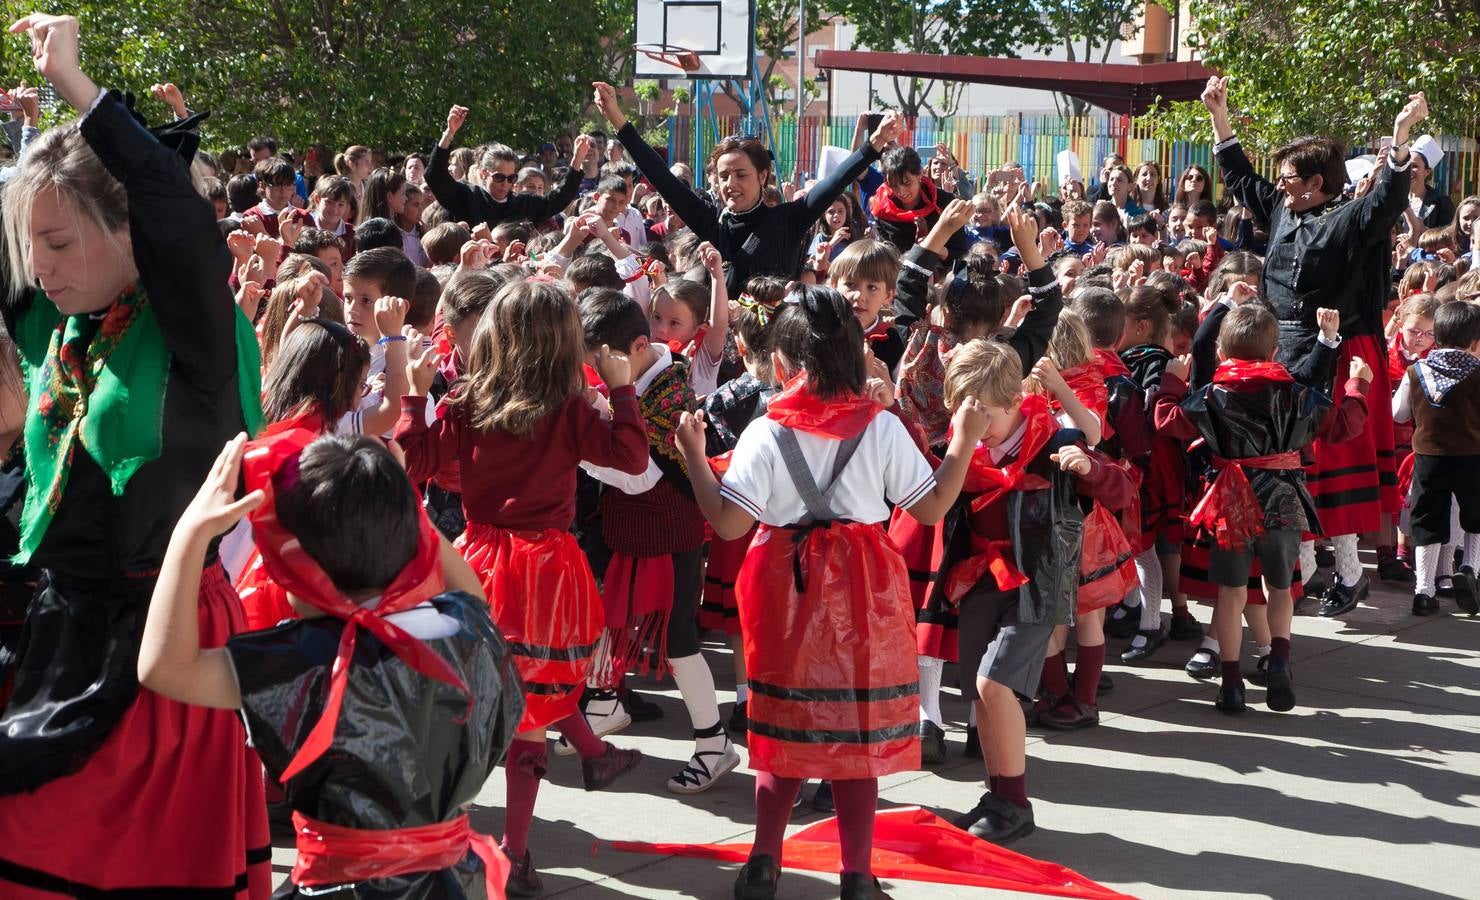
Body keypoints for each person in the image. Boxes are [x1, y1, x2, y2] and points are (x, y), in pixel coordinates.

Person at [0, 13, 269, 897]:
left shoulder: (192, 326)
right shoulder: (57, 318)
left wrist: (78, 91)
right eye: (30, 243)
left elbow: (175, 212)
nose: (39, 266)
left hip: (159, 649)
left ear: (126, 233)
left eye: (60, 241)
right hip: (61, 636)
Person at [675, 283, 987, 900]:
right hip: (865, 591)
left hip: (782, 589)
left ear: (783, 365)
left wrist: (692, 454)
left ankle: (763, 863)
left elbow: (731, 523)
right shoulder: (883, 428)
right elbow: (930, 508)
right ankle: (857, 875)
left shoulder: (765, 432)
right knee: (859, 736)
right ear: (857, 357)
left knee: (784, 729)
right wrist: (964, 439)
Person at [138, 432, 523, 898]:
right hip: (449, 884)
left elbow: (163, 667)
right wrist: (397, 501)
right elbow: (467, 591)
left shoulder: (301, 662)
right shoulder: (465, 629)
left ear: (300, 568)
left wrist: (189, 533)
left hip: (340, 887)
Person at [396, 280, 646, 894]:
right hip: (548, 573)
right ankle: (517, 849)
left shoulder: (468, 401)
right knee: (532, 711)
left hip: (479, 562)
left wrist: (413, 394)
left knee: (467, 706)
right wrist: (621, 385)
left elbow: (414, 460)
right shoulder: (573, 406)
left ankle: (443, 832)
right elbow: (633, 458)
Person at [1203, 76, 1428, 614]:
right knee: (1292, 468)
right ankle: (1301, 576)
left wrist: (1400, 138)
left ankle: (1349, 577)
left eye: (1289, 179)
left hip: (1332, 350)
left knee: (1324, 470)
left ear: (1317, 182)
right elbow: (1241, 178)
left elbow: (1387, 202)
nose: (1279, 187)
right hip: (1281, 351)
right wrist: (1220, 116)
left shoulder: (1347, 219)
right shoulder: (1282, 210)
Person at [935, 338, 1133, 844]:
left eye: (978, 410)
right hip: (983, 579)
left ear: (1008, 400)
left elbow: (1121, 490)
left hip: (1038, 583)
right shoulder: (968, 444)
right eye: (961, 409)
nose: (969, 420)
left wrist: (1092, 468)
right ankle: (997, 795)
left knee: (993, 686)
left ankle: (1016, 803)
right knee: (977, 694)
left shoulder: (1052, 439)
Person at [1154, 302, 1371, 712]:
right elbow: (1344, 426)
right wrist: (1357, 386)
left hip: (1231, 501)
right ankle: (1280, 663)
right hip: (1283, 498)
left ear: (1221, 353)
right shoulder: (1298, 394)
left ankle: (1232, 683)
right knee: (1280, 587)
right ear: (1274, 353)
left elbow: (1167, 422)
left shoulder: (1211, 395)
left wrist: (1171, 382)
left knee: (1231, 593)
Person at [577, 289, 737, 797]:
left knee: (679, 643)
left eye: (600, 361)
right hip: (636, 531)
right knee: (612, 616)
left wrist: (582, 451)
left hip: (670, 535)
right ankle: (604, 705)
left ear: (638, 346)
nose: (596, 370)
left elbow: (643, 475)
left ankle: (714, 745)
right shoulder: (645, 380)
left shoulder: (671, 393)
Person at [592, 81, 906, 297]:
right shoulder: (709, 222)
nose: (732, 184)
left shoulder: (789, 219)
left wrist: (875, 142)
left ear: (763, 175)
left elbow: (834, 181)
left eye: (741, 174)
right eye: (724, 175)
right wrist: (618, 120)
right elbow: (662, 178)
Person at [1393, 300, 1480, 617]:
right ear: (1474, 341)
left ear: (1437, 336)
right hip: (1473, 456)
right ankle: (1470, 569)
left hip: (1428, 456)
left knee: (1427, 522)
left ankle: (1423, 592)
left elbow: (1398, 413)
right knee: (1475, 517)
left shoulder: (1415, 371)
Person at [428, 104, 591, 230]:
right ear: (485, 173)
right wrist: (449, 133)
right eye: (499, 177)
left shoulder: (523, 204)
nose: (505, 184)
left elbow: (560, 197)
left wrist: (577, 159)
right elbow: (436, 177)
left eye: (511, 178)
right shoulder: (466, 196)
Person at [1407, 135, 1456, 229]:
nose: (1409, 171)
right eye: (1406, 165)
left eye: (1414, 166)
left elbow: (1447, 238)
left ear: (1427, 171)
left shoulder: (1441, 203)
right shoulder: (1397, 200)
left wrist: (1424, 231)